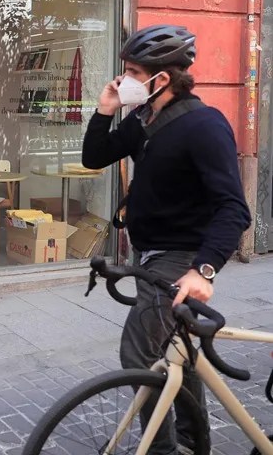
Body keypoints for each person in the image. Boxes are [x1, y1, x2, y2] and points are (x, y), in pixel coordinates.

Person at [82, 24, 251, 454]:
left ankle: (160, 450)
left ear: (162, 78)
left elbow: (234, 208)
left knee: (140, 353)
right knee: (177, 350)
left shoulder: (204, 126)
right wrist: (105, 110)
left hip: (180, 258)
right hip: (148, 253)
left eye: (134, 73)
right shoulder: (143, 119)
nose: (125, 80)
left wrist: (203, 271)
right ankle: (192, 439)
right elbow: (94, 157)